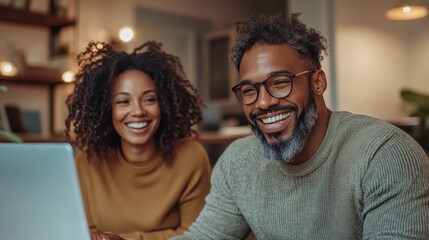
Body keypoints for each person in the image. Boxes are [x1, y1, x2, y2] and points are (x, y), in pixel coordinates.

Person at [172, 13, 429, 240]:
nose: (263, 102)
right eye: (249, 90)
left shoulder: (385, 155)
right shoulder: (238, 162)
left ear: (317, 83)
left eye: (280, 83)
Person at [65, 41, 212, 240]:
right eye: (123, 101)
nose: (138, 111)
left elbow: (197, 235)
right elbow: (85, 233)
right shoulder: (88, 161)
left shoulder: (191, 158)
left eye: (149, 99)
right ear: (107, 109)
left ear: (165, 104)